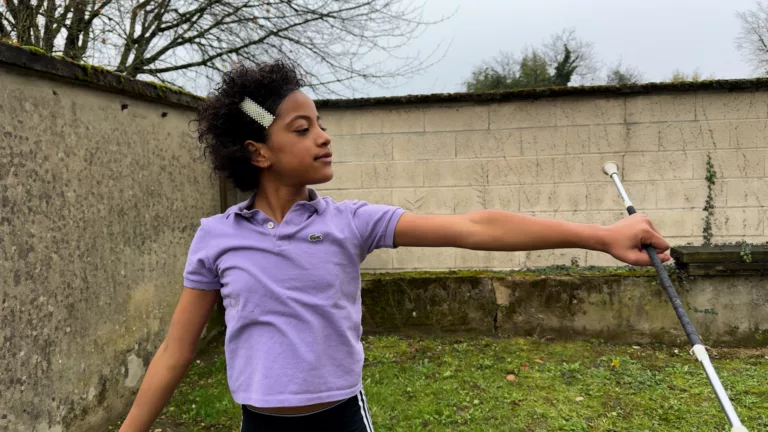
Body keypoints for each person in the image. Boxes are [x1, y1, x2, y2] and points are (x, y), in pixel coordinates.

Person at [118, 59, 671, 432]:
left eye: (321, 124)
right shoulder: (217, 238)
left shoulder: (349, 223)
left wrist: (601, 237)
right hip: (260, 423)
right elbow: (176, 351)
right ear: (258, 152)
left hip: (341, 419)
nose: (324, 136)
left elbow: (476, 228)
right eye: (302, 128)